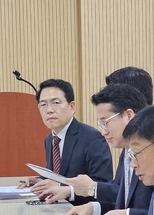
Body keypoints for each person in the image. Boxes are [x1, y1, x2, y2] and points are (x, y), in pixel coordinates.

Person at [47, 67, 154, 214]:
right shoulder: (126, 147)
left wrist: (93, 188)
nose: (104, 131)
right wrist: (93, 208)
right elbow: (121, 197)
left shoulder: (152, 149)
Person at [27, 78, 113, 206]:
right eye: (43, 104)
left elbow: (102, 184)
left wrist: (65, 189)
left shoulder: (92, 138)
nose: (49, 110)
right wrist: (38, 180)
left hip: (83, 212)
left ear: (72, 107)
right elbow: (57, 175)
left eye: (56, 103)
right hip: (56, 209)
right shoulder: (49, 140)